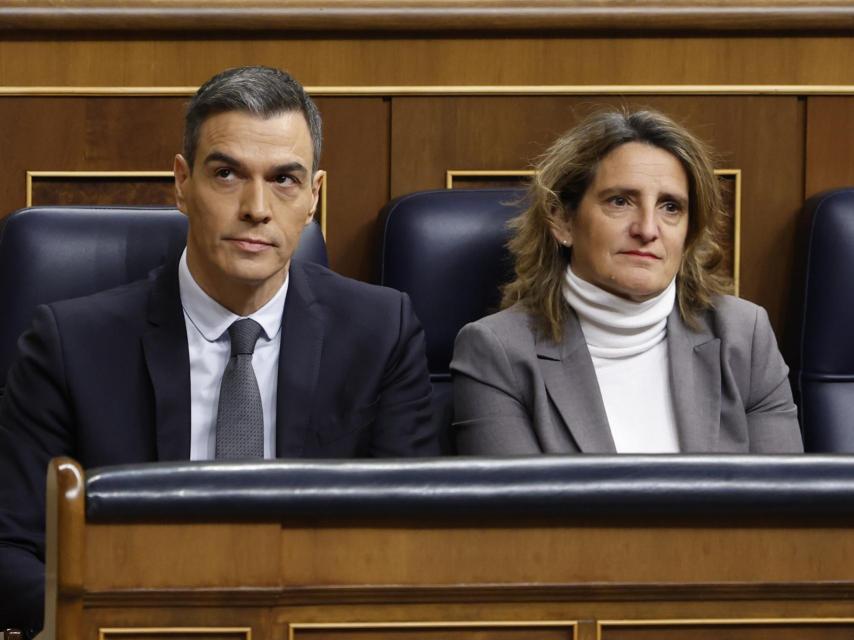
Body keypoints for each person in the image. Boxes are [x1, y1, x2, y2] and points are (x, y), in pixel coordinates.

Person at [0, 66, 437, 634]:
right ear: (182, 182)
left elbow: (416, 540)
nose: (257, 206)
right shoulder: (71, 344)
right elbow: (11, 548)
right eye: (228, 174)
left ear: (313, 197)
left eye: (284, 179)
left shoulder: (381, 333)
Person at [451, 108, 803, 455]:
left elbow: (785, 505)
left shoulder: (744, 335)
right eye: (620, 201)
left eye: (670, 207)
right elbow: (517, 511)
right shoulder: (498, 352)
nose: (648, 230)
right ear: (562, 221)